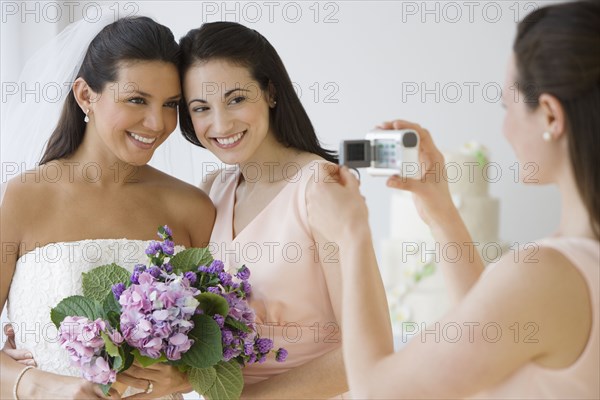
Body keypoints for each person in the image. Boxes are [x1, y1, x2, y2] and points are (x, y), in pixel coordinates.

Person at [307, 1, 599, 398]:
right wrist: (441, 210)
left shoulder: (548, 272)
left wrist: (351, 233)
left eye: (506, 106)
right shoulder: (568, 267)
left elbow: (377, 390)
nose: (505, 128)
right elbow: (491, 329)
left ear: (550, 115)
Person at [0, 16, 215, 399]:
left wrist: (184, 378)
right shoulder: (23, 198)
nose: (157, 122)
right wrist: (36, 384)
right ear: (85, 95)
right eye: (136, 100)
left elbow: (219, 352)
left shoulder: (192, 208)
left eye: (170, 104)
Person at [177, 21, 387, 398]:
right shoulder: (213, 189)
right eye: (201, 108)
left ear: (270, 92)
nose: (220, 123)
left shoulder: (320, 186)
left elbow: (365, 352)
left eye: (236, 99)